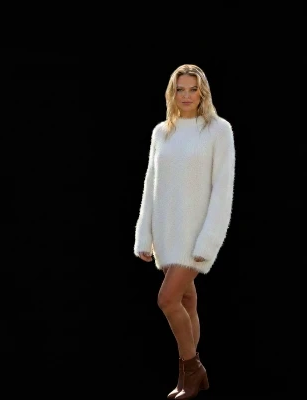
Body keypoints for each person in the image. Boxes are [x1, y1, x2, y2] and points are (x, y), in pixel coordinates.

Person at [134, 64, 235, 399]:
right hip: (167, 233)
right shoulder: (162, 132)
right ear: (172, 93)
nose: (187, 95)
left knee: (167, 299)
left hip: (196, 234)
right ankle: (189, 378)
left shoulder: (218, 130)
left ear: (203, 93)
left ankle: (192, 369)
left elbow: (222, 191)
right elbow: (151, 186)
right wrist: (144, 235)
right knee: (187, 300)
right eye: (181, 89)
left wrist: (209, 240)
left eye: (193, 89)